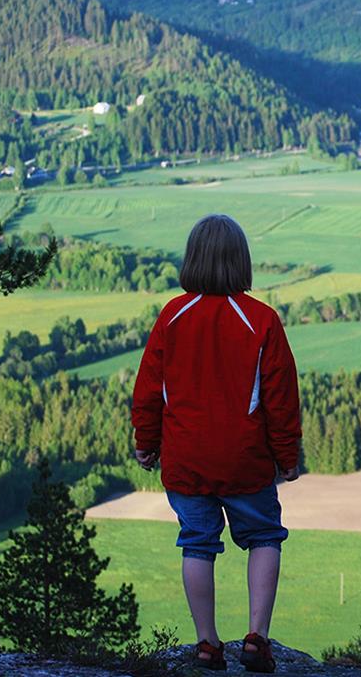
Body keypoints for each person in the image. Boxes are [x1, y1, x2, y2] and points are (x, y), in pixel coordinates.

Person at [130, 214, 302, 673]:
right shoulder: (262, 320)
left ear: (192, 259)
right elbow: (282, 398)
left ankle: (206, 644)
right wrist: (287, 457)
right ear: (241, 261)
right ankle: (255, 639)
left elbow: (148, 390)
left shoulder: (172, 315)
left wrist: (146, 443)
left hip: (186, 460)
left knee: (197, 545)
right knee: (264, 537)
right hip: (245, 460)